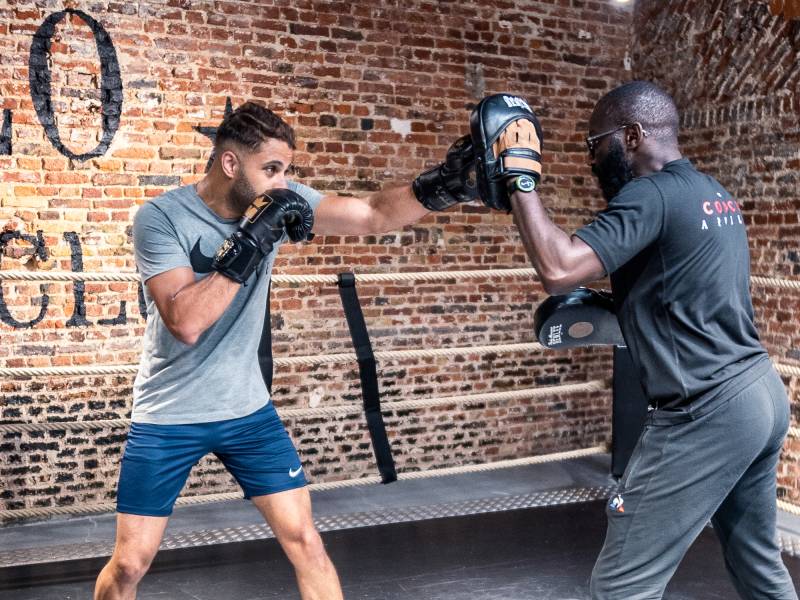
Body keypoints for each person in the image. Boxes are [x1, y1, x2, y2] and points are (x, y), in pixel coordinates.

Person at [94, 101, 478, 600]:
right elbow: (186, 321)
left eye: (286, 171)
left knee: (304, 539)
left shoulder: (277, 199)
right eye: (271, 169)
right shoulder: (162, 218)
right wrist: (252, 241)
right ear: (231, 164)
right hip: (169, 415)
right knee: (129, 564)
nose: (282, 183)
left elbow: (371, 214)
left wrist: (441, 187)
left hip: (248, 412)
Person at [468, 83, 797, 598]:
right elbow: (681, 294)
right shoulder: (712, 194)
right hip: (759, 395)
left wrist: (519, 177)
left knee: (622, 584)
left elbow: (559, 269)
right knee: (759, 567)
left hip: (704, 410)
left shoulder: (650, 194)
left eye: (596, 145)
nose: (593, 160)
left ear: (632, 135)